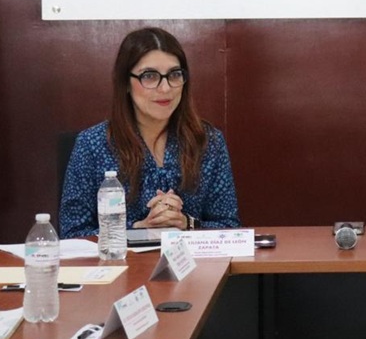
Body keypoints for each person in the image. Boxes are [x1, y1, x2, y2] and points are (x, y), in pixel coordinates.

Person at [60, 27, 240, 237]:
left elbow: (230, 227)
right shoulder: (93, 144)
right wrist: (139, 229)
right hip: (119, 267)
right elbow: (72, 234)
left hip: (197, 267)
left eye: (174, 74)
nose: (165, 88)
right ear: (126, 83)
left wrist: (186, 223)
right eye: (150, 76)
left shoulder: (207, 141)